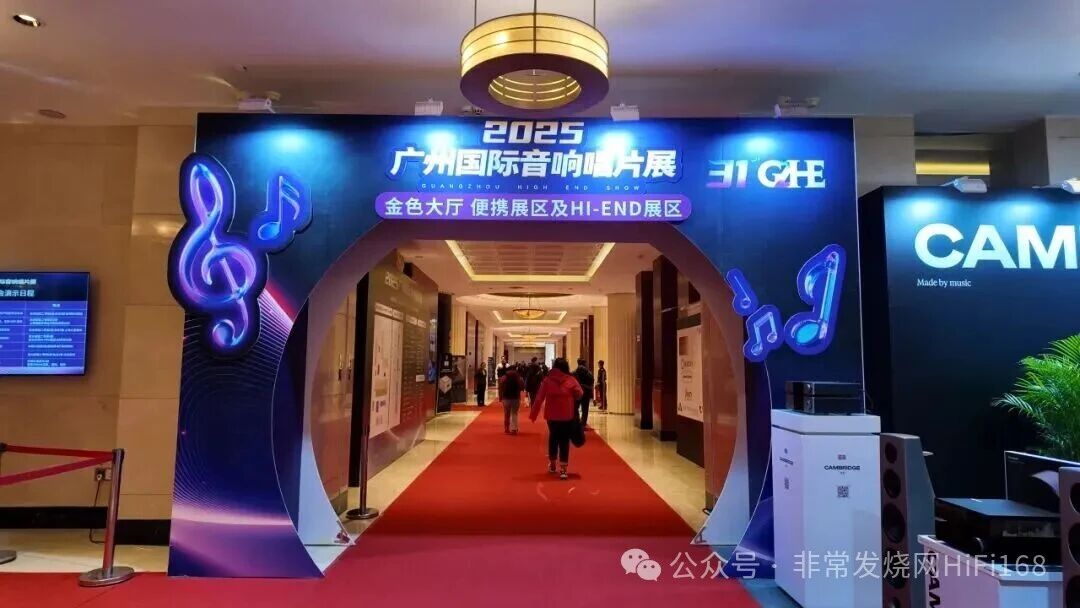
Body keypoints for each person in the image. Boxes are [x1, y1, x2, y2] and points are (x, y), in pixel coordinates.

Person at [529, 358, 583, 480]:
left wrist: (534, 414)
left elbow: (539, 398)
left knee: (553, 437)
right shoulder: (571, 379)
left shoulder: (547, 380)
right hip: (566, 415)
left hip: (552, 416)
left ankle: (552, 463)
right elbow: (579, 393)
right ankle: (563, 469)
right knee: (564, 440)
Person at [499, 365, 525, 434]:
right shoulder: (519, 377)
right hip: (516, 397)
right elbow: (522, 387)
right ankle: (514, 429)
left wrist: (500, 397)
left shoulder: (504, 377)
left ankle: (506, 428)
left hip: (506, 397)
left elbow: (500, 387)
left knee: (506, 413)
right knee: (514, 413)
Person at [572, 358, 595, 429]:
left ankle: (576, 422)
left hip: (577, 392)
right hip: (586, 392)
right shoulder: (588, 372)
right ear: (584, 363)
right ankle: (583, 424)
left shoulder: (574, 372)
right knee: (585, 409)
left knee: (575, 408)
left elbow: (572, 381)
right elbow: (592, 380)